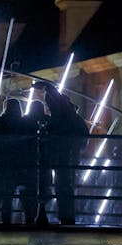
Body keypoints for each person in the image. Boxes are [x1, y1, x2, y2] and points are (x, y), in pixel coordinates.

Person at [36, 82, 86, 225]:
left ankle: (58, 215)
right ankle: (66, 216)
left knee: (57, 185)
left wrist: (48, 87)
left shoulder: (60, 117)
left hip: (60, 157)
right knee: (63, 186)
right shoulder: (72, 118)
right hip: (68, 158)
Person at [0, 97, 34, 224]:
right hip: (16, 164)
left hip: (0, 163)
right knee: (10, 194)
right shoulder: (22, 123)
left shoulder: (0, 122)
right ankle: (6, 220)